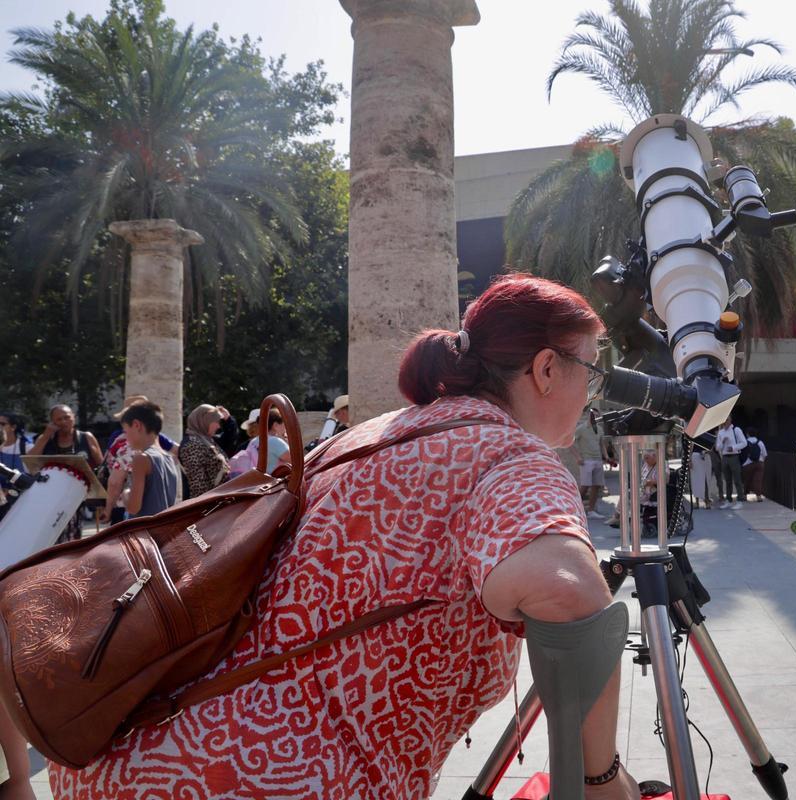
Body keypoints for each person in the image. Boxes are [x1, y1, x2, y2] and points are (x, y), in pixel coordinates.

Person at [49, 274, 639, 800]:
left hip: (132, 754)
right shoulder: (511, 456)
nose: (592, 396)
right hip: (271, 777)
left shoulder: (366, 436)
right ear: (544, 369)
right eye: (591, 369)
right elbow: (569, 595)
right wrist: (601, 780)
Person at [28, 404, 102, 541]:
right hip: (50, 498)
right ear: (52, 422)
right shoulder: (45, 440)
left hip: (77, 497)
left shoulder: (86, 438)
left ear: (73, 417)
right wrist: (45, 436)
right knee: (50, 537)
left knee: (72, 538)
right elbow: (30, 462)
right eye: (58, 419)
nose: (63, 422)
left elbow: (101, 465)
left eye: (67, 417)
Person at [116, 401, 179, 520]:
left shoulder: (141, 458)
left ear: (136, 425)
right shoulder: (169, 458)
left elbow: (133, 508)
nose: (125, 436)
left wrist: (126, 494)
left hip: (144, 533)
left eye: (125, 431)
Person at [178, 404, 231, 498]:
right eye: (216, 421)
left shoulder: (206, 440)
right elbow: (198, 488)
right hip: (207, 508)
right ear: (205, 421)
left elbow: (229, 440)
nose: (219, 426)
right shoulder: (192, 445)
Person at [576, 411, 607, 519]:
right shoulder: (581, 428)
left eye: (597, 415)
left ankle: (591, 510)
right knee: (585, 486)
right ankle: (575, 509)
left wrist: (606, 457)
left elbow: (602, 444)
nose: (595, 417)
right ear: (588, 416)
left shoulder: (600, 429)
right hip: (586, 460)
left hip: (598, 459)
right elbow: (571, 442)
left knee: (597, 486)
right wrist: (578, 457)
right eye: (593, 415)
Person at [714, 418, 747, 510]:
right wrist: (723, 442)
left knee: (737, 479)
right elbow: (717, 448)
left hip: (734, 456)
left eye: (727, 419)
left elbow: (744, 443)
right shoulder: (721, 432)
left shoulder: (736, 430)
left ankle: (740, 500)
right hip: (724, 457)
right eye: (724, 419)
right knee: (727, 480)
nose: (725, 421)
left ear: (730, 420)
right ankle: (728, 500)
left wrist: (733, 447)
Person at [741, 427, 768, 502]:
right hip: (759, 463)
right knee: (758, 480)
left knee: (747, 480)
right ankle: (758, 496)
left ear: (747, 434)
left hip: (747, 464)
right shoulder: (760, 442)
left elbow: (742, 454)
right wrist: (762, 462)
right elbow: (765, 454)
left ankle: (744, 495)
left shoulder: (745, 442)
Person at [262, 408, 292, 475]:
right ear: (275, 425)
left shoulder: (255, 440)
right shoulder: (275, 441)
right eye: (284, 424)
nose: (285, 428)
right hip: (273, 482)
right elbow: (296, 461)